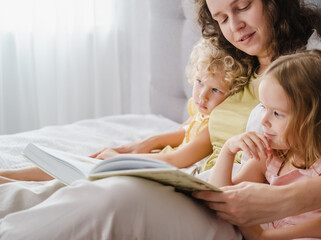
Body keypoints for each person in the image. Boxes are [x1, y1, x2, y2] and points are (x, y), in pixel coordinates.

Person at [0, 0, 321, 238]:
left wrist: (286, 201)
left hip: (233, 204)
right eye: (221, 18)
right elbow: (204, 136)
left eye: (243, 6)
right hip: (210, 185)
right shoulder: (237, 70)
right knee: (71, 186)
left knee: (113, 197)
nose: (234, 26)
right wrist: (150, 147)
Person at [0, 37, 247, 183]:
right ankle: (12, 176)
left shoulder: (213, 128)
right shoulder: (201, 110)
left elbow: (176, 159)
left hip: (163, 166)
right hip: (156, 156)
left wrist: (121, 159)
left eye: (216, 91)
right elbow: (184, 130)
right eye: (200, 82)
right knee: (86, 160)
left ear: (231, 96)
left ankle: (16, 178)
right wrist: (148, 142)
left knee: (88, 169)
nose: (202, 95)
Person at [209, 50, 321, 239]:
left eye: (277, 113)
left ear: (316, 121)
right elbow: (223, 199)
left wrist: (263, 236)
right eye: (264, 107)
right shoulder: (273, 153)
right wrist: (228, 150)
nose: (263, 120)